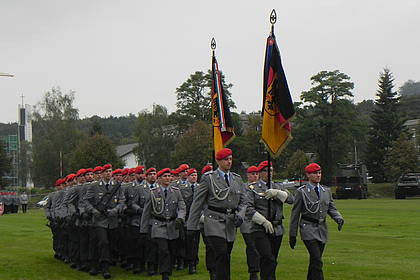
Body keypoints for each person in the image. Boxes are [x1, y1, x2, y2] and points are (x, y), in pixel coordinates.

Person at [187, 148, 247, 280]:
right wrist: (191, 226)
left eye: (230, 159)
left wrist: (241, 215)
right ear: (218, 161)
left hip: (230, 222)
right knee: (221, 253)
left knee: (226, 255)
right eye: (226, 159)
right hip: (214, 221)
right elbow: (197, 203)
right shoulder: (209, 178)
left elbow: (244, 201)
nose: (229, 162)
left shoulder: (236, 179)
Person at [289, 163, 344, 280]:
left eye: (319, 173)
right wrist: (292, 234)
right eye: (314, 173)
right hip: (308, 228)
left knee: (315, 261)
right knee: (317, 259)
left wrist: (338, 218)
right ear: (308, 175)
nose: (318, 175)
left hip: (322, 229)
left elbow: (331, 208)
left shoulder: (326, 191)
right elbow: (295, 214)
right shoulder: (302, 192)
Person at [246, 161, 294, 280]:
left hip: (276, 228)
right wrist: (263, 221)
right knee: (268, 257)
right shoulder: (253, 188)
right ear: (260, 173)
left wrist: (278, 193)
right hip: (260, 228)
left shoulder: (278, 187)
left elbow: (292, 199)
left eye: (271, 170)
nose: (269, 173)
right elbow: (248, 209)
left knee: (271, 259)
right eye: (266, 171)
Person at [140, 168, 186, 280]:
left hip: (172, 225)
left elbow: (182, 207)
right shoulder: (153, 192)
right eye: (165, 176)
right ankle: (165, 275)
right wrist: (143, 229)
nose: (168, 178)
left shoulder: (176, 191)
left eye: (169, 176)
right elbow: (146, 212)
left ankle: (167, 270)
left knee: (171, 250)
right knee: (163, 250)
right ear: (159, 179)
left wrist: (180, 218)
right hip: (158, 225)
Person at [240, 166, 261, 280]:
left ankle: (259, 268)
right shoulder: (243, 187)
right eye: (252, 174)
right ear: (248, 175)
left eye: (257, 174)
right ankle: (253, 271)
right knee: (251, 246)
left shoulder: (261, 187)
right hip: (247, 222)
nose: (255, 176)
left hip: (259, 221)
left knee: (259, 247)